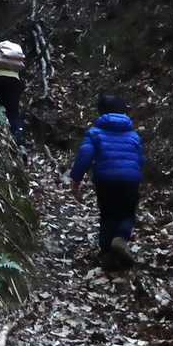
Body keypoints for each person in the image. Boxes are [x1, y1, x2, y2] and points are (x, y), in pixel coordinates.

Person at [70, 94, 144, 267]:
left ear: (101, 112)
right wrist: (136, 176)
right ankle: (121, 237)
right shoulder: (133, 135)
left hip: (105, 180)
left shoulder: (95, 133)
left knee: (108, 214)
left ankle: (106, 251)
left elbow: (85, 155)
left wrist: (76, 179)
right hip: (130, 180)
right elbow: (140, 160)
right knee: (127, 213)